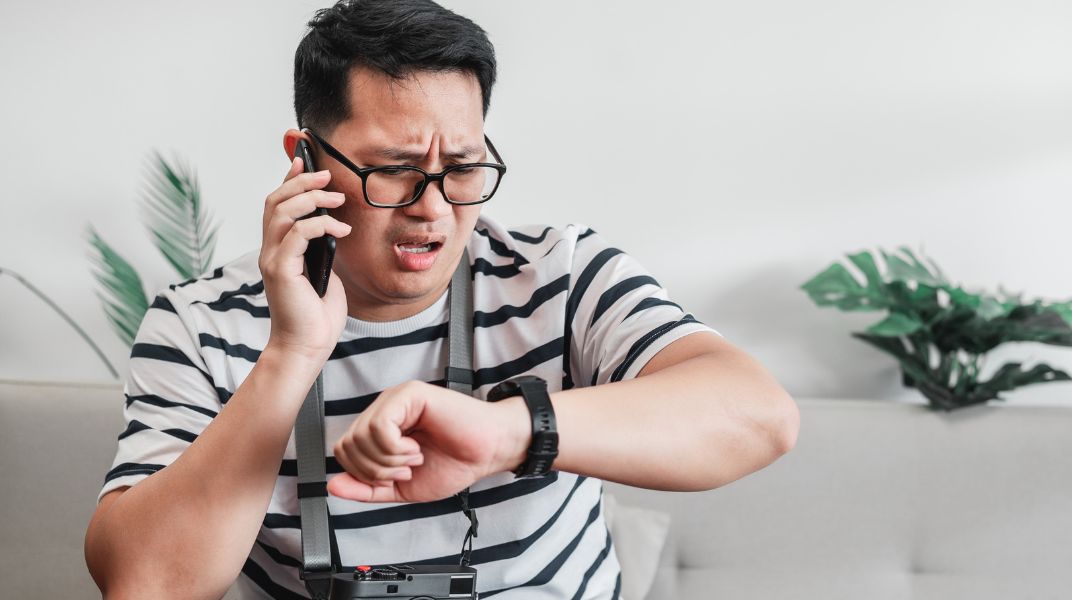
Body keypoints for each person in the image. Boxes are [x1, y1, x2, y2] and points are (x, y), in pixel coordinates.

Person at [84, 1, 799, 598]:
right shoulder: (198, 324)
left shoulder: (561, 272)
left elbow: (758, 418)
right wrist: (290, 354)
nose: (433, 209)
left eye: (462, 167)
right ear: (303, 160)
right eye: (395, 170)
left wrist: (504, 433)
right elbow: (146, 583)